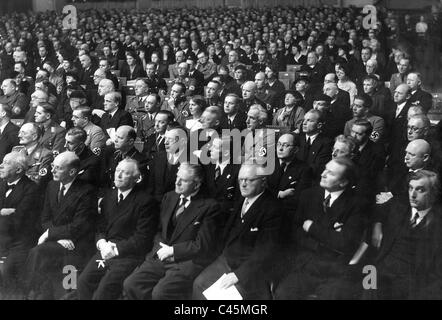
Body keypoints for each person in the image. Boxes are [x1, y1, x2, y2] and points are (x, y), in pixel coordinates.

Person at [123, 163, 222, 300]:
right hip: (162, 255)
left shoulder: (210, 207)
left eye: (184, 180)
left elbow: (201, 245)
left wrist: (173, 251)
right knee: (131, 284)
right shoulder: (169, 197)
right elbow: (158, 230)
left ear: (197, 185)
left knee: (161, 293)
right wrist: (161, 248)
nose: (177, 182)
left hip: (186, 261)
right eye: (177, 177)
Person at [274, 158, 365, 299]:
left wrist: (311, 227)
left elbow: (346, 243)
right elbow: (295, 231)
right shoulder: (308, 195)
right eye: (325, 169)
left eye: (331, 173)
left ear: (344, 182)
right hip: (305, 265)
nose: (323, 174)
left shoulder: (357, 204)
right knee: (282, 294)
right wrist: (328, 237)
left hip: (334, 271)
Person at [193, 163, 282, 300]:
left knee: (225, 298)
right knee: (199, 284)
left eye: (249, 180)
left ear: (263, 182)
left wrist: (238, 275)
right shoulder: (242, 199)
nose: (243, 184)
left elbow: (265, 252)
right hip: (227, 259)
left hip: (250, 270)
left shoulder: (273, 209)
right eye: (241, 180)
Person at [77, 159, 158, 300]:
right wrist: (101, 242)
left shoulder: (145, 201)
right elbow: (100, 225)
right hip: (105, 250)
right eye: (117, 171)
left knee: (104, 290)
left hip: (128, 255)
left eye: (125, 173)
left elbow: (142, 238)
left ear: (136, 178)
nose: (118, 175)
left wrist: (115, 249)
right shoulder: (109, 196)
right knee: (83, 281)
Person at [25, 151, 97, 300]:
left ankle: (34, 293)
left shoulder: (87, 191)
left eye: (58, 168)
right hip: (59, 240)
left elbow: (80, 226)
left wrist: (50, 234)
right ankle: (36, 293)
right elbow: (44, 218)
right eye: (52, 166)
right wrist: (55, 236)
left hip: (76, 243)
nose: (53, 170)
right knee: (38, 253)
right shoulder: (52, 185)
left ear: (72, 171)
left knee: (38, 253)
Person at [372, 170, 442, 299]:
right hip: (381, 271)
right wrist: (378, 226)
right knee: (368, 285)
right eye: (410, 188)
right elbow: (376, 211)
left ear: (433, 193)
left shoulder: (438, 221)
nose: (412, 195)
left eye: (420, 190)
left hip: (413, 282)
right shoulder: (398, 205)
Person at [0, 152, 40, 296]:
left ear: (18, 170)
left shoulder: (31, 189)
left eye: (6, 163)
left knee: (7, 272)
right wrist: (3, 212)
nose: (1, 166)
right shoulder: (1, 184)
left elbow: (20, 219)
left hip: (18, 242)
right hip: (2, 238)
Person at [13, 123, 53, 187]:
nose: (19, 136)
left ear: (34, 137)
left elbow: (39, 180)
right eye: (19, 133)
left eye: (23, 133)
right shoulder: (16, 151)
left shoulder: (46, 155)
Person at [297, 109, 332, 181]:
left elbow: (318, 167)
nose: (304, 123)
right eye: (304, 120)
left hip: (312, 180)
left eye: (309, 121)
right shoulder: (297, 139)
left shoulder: (326, 143)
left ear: (319, 125)